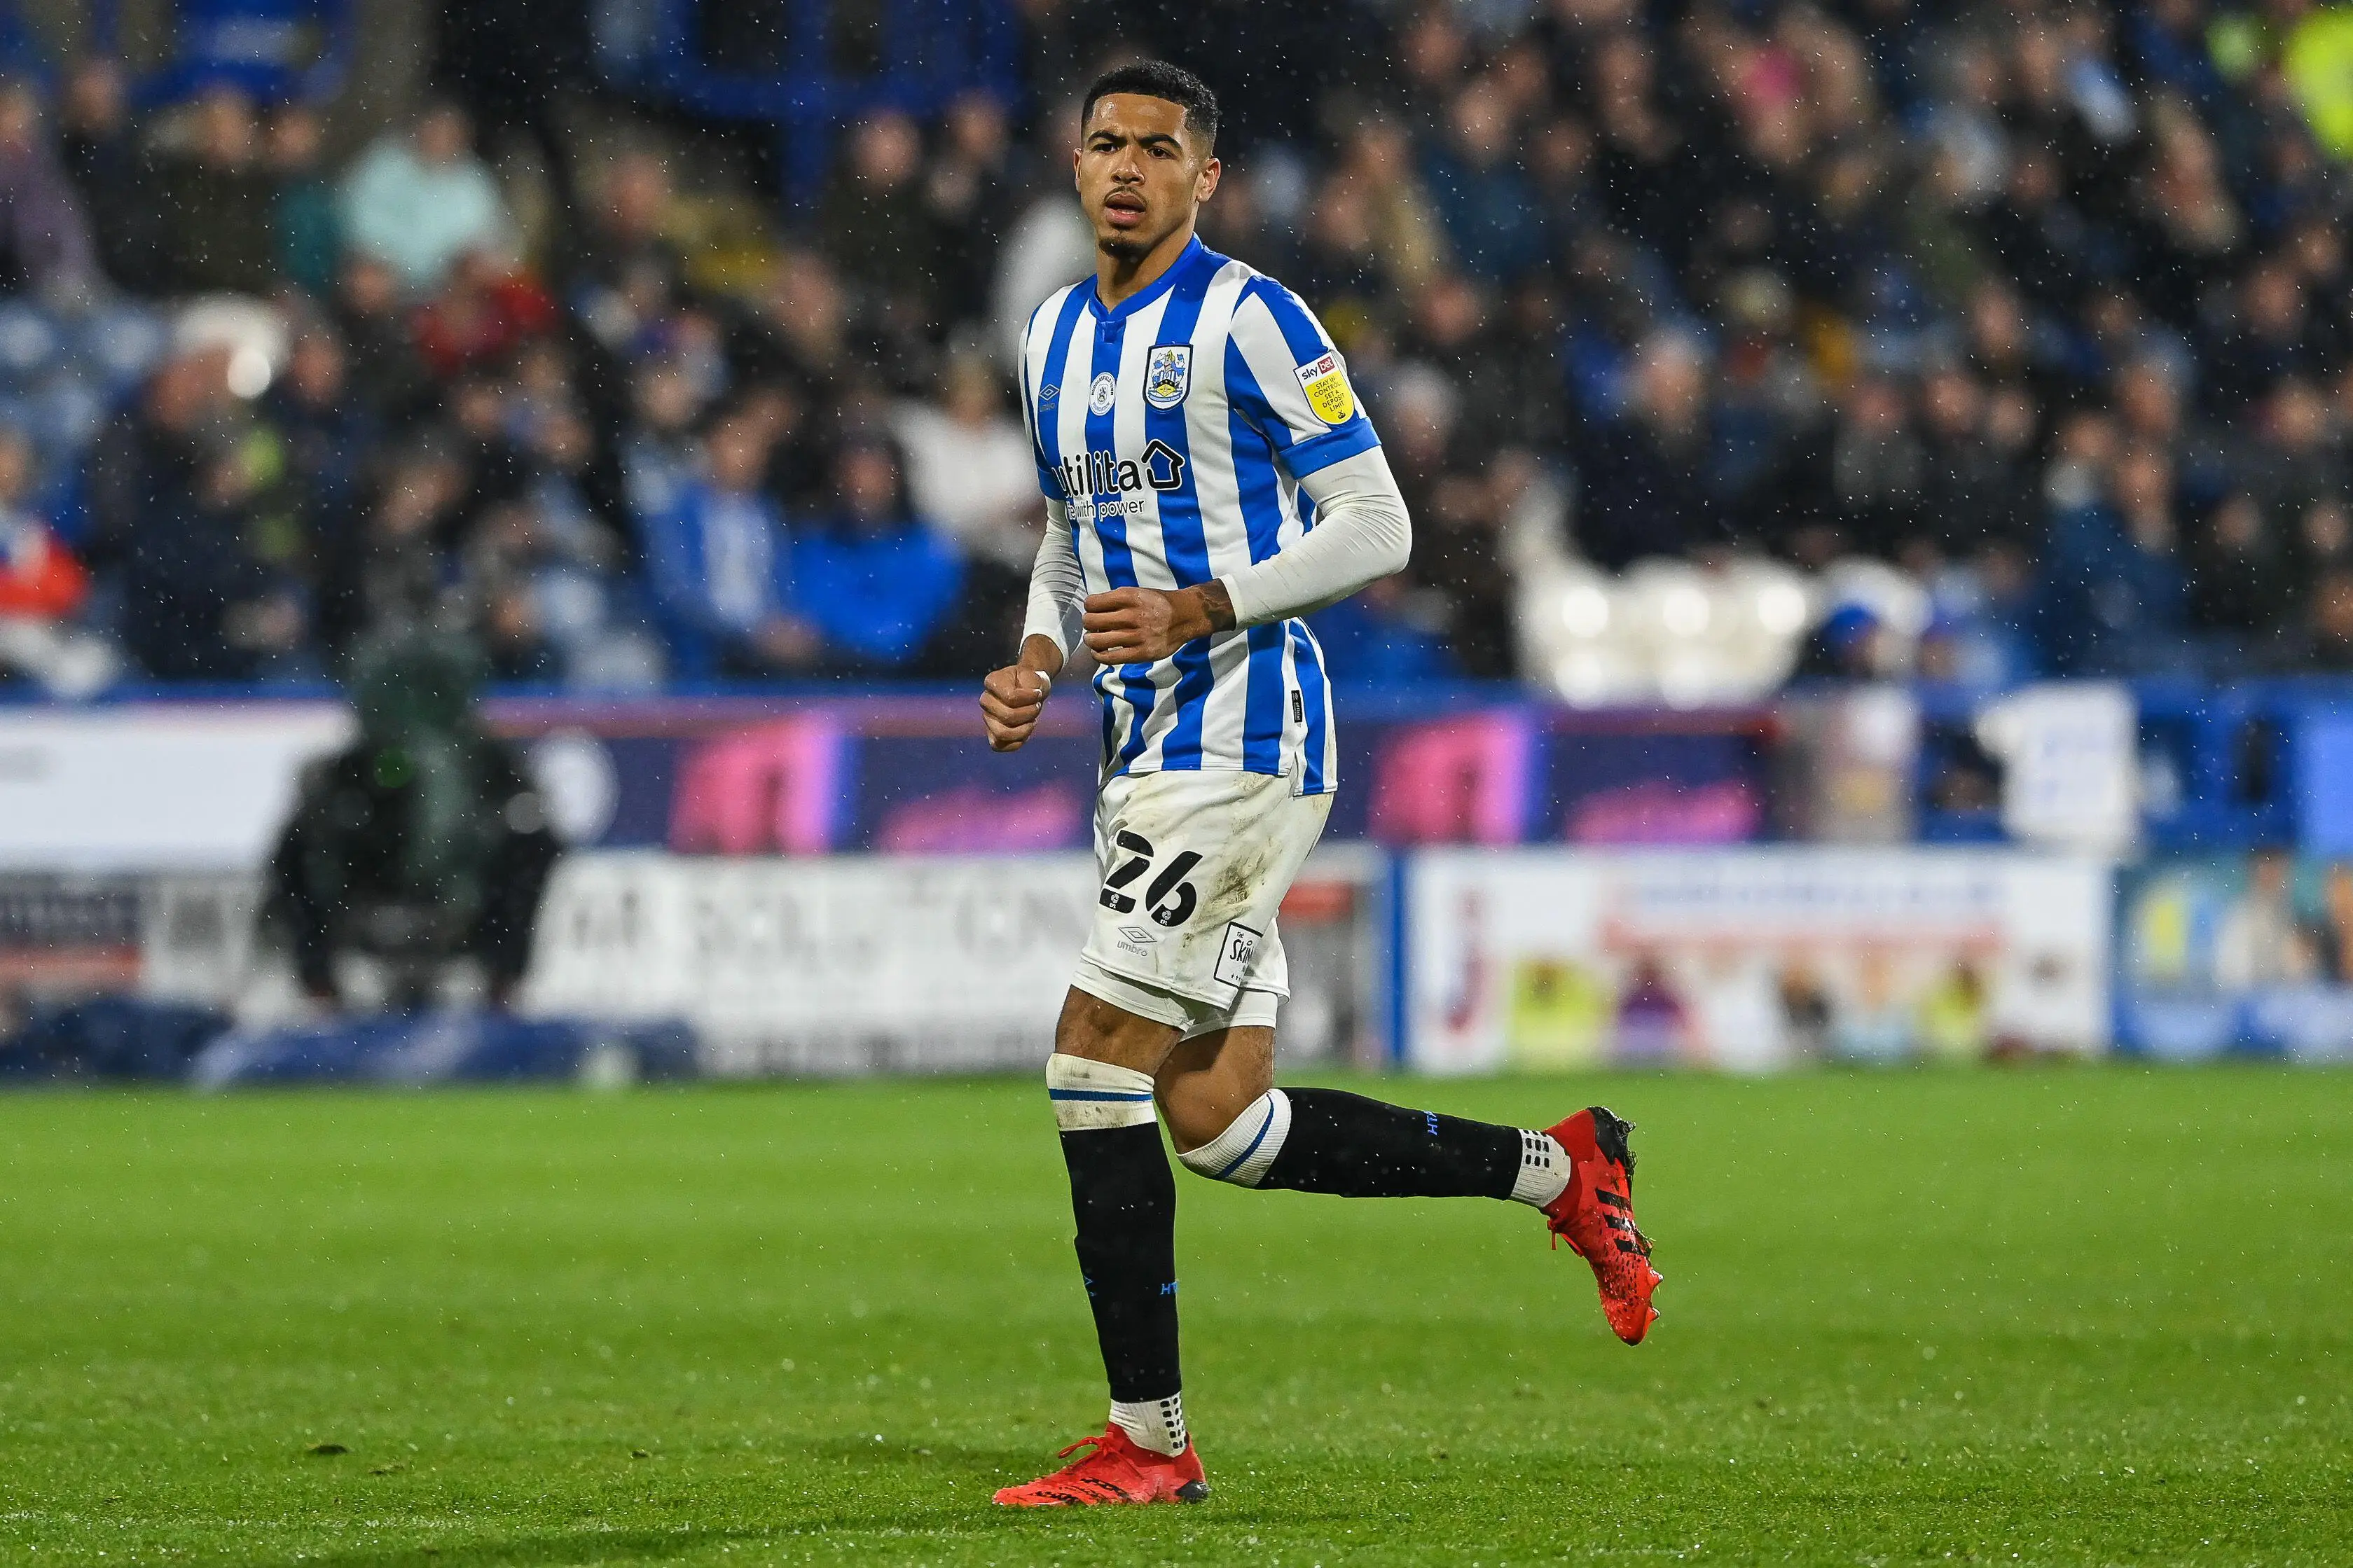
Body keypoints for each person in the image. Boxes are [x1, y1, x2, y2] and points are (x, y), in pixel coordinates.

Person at [977, 62, 1661, 1511]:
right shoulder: (1047, 335)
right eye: (1104, 144)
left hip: (1243, 737)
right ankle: (1562, 1170)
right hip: (1142, 747)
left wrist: (1203, 605)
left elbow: (1378, 524)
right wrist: (1038, 651)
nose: (1125, 170)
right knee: (1221, 1121)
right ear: (1073, 159)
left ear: (1203, 179)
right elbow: (1069, 523)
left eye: (1158, 151)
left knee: (1087, 1065)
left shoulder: (1252, 319)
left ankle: (1147, 1446)